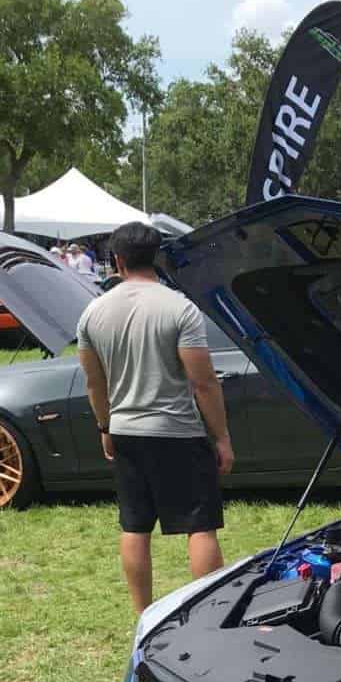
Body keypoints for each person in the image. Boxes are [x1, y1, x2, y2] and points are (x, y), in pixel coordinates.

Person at [76, 221, 235, 614]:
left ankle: (143, 615)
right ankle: (208, 616)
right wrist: (222, 438)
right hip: (178, 432)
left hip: (126, 431)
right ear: (158, 257)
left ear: (117, 260)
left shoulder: (93, 313)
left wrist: (105, 426)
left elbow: (95, 383)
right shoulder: (180, 308)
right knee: (200, 527)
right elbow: (203, 382)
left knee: (134, 527)